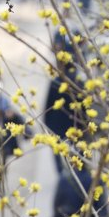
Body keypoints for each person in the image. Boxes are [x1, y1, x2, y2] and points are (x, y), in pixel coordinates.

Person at [42, 33, 86, 174]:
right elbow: (85, 108)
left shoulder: (56, 82)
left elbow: (47, 107)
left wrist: (47, 128)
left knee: (60, 160)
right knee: (78, 159)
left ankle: (63, 176)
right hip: (75, 128)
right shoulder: (79, 83)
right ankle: (79, 175)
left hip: (58, 128)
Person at [0, 82, 31, 163]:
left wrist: (9, 114)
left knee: (3, 157)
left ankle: (2, 172)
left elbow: (14, 114)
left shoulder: (3, 99)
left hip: (3, 133)